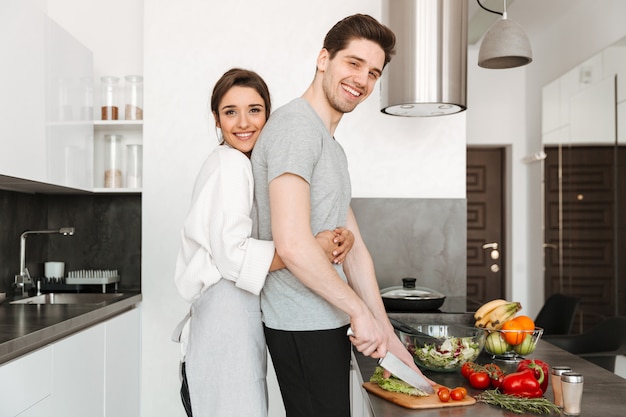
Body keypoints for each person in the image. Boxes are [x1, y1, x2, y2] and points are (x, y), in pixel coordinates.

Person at [251, 14, 434, 417]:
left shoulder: (330, 145)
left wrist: (384, 331)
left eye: (373, 72)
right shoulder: (295, 129)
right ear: (323, 59)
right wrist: (357, 312)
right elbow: (293, 244)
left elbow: (355, 251)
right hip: (299, 321)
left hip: (324, 318)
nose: (362, 80)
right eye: (353, 63)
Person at [172, 68, 354, 417]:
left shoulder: (247, 164)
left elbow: (280, 224)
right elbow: (233, 257)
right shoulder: (230, 166)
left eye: (254, 110)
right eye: (230, 112)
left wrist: (334, 235)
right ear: (216, 118)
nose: (244, 122)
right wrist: (307, 247)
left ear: (267, 114)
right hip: (225, 314)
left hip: (234, 313)